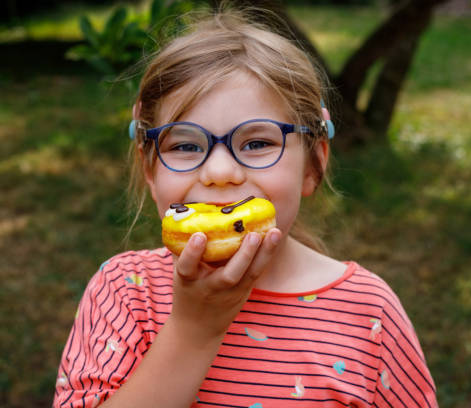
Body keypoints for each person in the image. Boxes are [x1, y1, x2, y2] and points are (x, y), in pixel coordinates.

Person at [53, 7, 437, 408]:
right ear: (151, 172)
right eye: (184, 145)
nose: (220, 172)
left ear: (313, 165)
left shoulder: (368, 313)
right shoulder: (125, 293)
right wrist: (192, 330)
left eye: (257, 143)